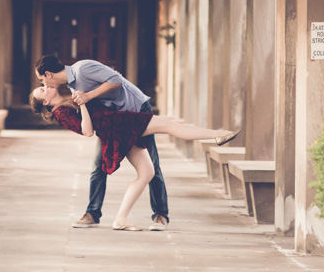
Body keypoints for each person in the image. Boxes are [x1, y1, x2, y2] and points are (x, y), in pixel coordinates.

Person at [30, 83, 238, 231]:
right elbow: (87, 131)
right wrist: (83, 102)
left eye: (43, 84)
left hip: (116, 127)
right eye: (42, 89)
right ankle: (218, 135)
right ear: (46, 101)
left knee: (147, 171)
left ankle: (121, 218)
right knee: (169, 126)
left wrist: (83, 98)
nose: (45, 86)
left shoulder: (65, 101)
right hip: (119, 125)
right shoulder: (60, 113)